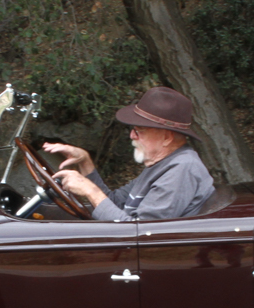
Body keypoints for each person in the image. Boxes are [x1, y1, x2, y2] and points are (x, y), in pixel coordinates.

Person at [44, 86, 215, 221]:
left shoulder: (181, 170)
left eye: (139, 130)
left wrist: (91, 191)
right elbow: (115, 203)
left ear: (166, 137)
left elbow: (139, 234)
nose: (132, 135)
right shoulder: (163, 165)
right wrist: (85, 162)